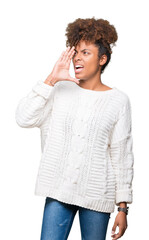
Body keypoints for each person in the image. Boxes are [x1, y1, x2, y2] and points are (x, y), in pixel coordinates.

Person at [15, 17, 134, 240]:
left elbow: (122, 156)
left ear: (102, 59)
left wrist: (122, 207)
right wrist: (50, 79)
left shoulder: (118, 101)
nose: (78, 57)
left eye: (86, 52)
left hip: (97, 194)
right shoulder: (59, 90)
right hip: (58, 190)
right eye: (76, 52)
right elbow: (23, 118)